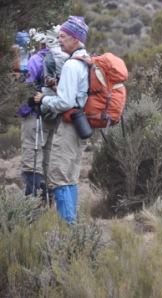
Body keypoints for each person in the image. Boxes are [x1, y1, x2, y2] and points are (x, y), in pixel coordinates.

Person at [34, 16, 89, 224]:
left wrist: (45, 99)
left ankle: (68, 229)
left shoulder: (71, 65)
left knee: (58, 177)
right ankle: (72, 227)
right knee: (71, 176)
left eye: (63, 36)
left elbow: (65, 102)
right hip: (81, 125)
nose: (59, 40)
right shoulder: (85, 60)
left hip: (69, 126)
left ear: (76, 38)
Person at [16, 30, 49, 196]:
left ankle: (31, 202)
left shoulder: (36, 59)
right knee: (47, 159)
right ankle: (48, 199)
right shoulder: (63, 59)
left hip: (34, 116)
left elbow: (25, 87)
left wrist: (21, 110)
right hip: (54, 116)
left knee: (31, 159)